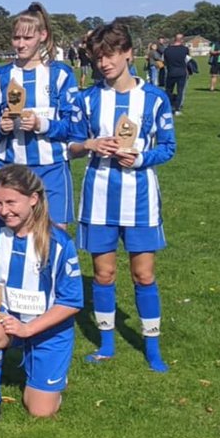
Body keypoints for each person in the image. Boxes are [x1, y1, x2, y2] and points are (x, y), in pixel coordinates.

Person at [70, 20, 175, 373]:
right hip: (99, 197)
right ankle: (107, 344)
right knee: (103, 274)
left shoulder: (155, 98)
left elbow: (169, 148)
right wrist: (90, 145)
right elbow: (69, 146)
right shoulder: (87, 99)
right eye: (99, 56)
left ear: (129, 53)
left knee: (143, 275)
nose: (104, 63)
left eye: (111, 54)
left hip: (140, 200)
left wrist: (141, 157)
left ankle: (153, 348)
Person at [0, 164, 83, 433]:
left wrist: (28, 329)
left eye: (11, 202)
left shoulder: (59, 242)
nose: (4, 210)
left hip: (48, 329)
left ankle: (45, 374)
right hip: (6, 319)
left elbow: (71, 301)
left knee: (40, 411)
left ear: (33, 199)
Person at [0, 2, 80, 228]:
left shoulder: (60, 74)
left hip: (52, 166)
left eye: (27, 39)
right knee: (13, 235)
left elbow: (73, 128)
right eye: (16, 38)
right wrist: (0, 127)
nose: (20, 44)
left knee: (54, 236)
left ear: (42, 36)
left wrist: (41, 124)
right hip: (10, 167)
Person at [161, 33, 191, 115]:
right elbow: (188, 60)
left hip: (171, 72)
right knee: (180, 91)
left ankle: (168, 106)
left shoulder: (167, 50)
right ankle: (177, 108)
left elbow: (164, 61)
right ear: (182, 40)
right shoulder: (185, 49)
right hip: (182, 72)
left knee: (168, 90)